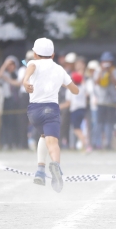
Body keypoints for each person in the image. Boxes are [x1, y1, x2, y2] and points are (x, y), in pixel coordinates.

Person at [22, 38, 79, 192]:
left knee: (43, 135)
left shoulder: (32, 63)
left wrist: (26, 80)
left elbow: (32, 66)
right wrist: (63, 83)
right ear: (53, 55)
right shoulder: (59, 69)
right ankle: (56, 168)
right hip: (52, 110)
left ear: (35, 53)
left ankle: (40, 170)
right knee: (53, 142)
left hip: (34, 111)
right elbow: (75, 90)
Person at [94, 52, 116, 149]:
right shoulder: (98, 71)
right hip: (101, 101)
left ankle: (108, 144)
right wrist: (102, 71)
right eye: (105, 61)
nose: (106, 63)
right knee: (99, 123)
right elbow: (96, 82)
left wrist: (109, 73)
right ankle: (97, 143)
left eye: (108, 61)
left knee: (110, 123)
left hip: (112, 102)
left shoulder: (115, 71)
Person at [0, 56, 23, 149]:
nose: (10, 67)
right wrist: (4, 65)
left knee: (15, 122)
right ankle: (6, 143)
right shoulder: (5, 74)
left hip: (16, 100)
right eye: (9, 65)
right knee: (6, 122)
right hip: (6, 100)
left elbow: (18, 83)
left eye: (12, 64)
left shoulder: (18, 73)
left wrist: (8, 79)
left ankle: (15, 143)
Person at [62, 71, 90, 151]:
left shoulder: (69, 91)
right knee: (79, 128)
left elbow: (68, 103)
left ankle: (85, 144)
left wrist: (59, 106)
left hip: (75, 110)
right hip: (82, 109)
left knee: (76, 129)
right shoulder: (83, 87)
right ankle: (84, 143)